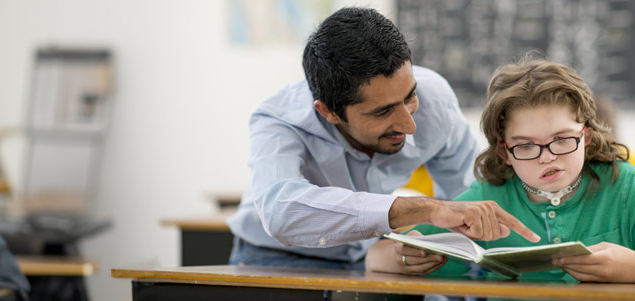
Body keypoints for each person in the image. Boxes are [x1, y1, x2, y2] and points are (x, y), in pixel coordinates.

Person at [226, 7, 539, 270]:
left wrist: (428, 239)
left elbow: (467, 195)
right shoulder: (278, 121)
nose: (409, 124)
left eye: (410, 95)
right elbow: (281, 212)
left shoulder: (436, 102)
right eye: (382, 112)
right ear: (329, 112)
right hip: (274, 258)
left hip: (370, 253)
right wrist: (425, 210)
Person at [366, 59, 635, 284]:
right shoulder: (489, 196)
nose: (547, 158)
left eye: (563, 140)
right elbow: (375, 257)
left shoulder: (622, 184)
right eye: (526, 146)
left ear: (587, 136)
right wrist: (401, 257)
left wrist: (633, 267)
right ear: (504, 153)